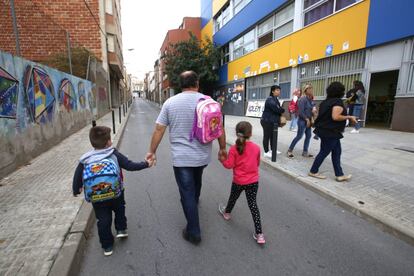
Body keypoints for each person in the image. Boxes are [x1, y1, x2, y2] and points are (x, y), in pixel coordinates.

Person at [146, 71, 227, 245]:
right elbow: (219, 127)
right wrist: (222, 148)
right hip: (203, 156)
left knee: (186, 192)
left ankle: (194, 231)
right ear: (197, 83)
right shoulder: (208, 102)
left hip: (181, 158)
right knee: (197, 180)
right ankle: (195, 199)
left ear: (179, 85)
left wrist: (152, 151)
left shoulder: (170, 103)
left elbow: (159, 129)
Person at [72, 126, 153, 256]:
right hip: (116, 193)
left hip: (97, 197)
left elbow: (78, 176)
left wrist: (76, 189)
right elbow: (130, 165)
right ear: (108, 142)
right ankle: (121, 229)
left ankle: (107, 246)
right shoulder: (113, 153)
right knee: (120, 209)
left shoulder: (86, 159)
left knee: (103, 219)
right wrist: (146, 164)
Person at [218, 121, 265, 244]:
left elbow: (229, 165)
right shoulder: (256, 148)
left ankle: (227, 213)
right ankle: (259, 234)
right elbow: (257, 163)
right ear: (250, 133)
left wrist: (222, 160)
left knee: (233, 198)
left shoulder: (234, 149)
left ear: (236, 133)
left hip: (238, 181)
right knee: (253, 205)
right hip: (253, 181)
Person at [308, 82, 357, 182]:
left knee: (337, 152)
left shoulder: (325, 102)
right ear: (340, 92)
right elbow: (335, 117)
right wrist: (349, 117)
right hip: (331, 132)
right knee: (324, 152)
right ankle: (313, 171)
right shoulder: (337, 102)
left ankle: (339, 175)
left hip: (327, 131)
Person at [287, 83, 314, 158]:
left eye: (312, 88)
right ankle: (289, 150)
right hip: (302, 121)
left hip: (308, 120)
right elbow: (300, 112)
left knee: (308, 136)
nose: (311, 90)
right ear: (306, 90)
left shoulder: (310, 99)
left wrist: (312, 117)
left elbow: (312, 108)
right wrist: (306, 119)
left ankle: (305, 152)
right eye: (310, 89)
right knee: (299, 136)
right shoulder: (302, 99)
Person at [260, 85, 285, 158]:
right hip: (267, 121)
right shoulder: (270, 99)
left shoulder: (275, 99)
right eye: (277, 90)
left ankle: (273, 150)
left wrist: (280, 109)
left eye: (279, 90)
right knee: (267, 136)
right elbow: (277, 109)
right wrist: (281, 109)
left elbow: (279, 108)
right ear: (272, 91)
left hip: (273, 121)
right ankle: (266, 151)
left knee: (273, 136)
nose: (279, 91)